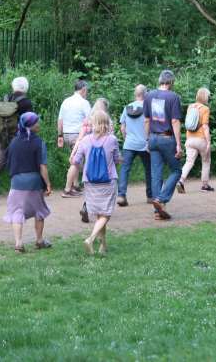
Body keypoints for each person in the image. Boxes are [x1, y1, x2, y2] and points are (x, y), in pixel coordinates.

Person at [72, 110, 121, 255]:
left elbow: (76, 161)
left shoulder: (85, 140)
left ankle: (103, 246)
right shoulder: (112, 139)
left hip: (90, 182)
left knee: (100, 214)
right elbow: (117, 159)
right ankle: (91, 239)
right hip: (108, 181)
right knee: (106, 214)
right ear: (107, 123)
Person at [2, 112, 52, 253]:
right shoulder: (38, 142)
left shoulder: (14, 142)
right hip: (34, 182)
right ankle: (39, 240)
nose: (39, 124)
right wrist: (47, 183)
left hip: (17, 181)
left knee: (17, 211)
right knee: (39, 211)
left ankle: (18, 243)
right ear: (31, 125)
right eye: (36, 122)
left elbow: (8, 162)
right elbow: (43, 167)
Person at [0, 76, 33, 206]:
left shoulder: (5, 99)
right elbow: (29, 122)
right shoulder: (26, 103)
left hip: (1, 137)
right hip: (18, 138)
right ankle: (20, 195)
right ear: (25, 88)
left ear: (13, 87)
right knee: (20, 164)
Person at [144, 69, 183, 220]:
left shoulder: (148, 96)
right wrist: (178, 144)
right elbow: (174, 121)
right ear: (171, 82)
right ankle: (161, 199)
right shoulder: (173, 97)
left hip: (153, 138)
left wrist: (147, 140)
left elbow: (146, 120)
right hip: (167, 138)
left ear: (160, 81)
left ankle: (157, 211)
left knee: (156, 174)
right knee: (176, 171)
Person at [117, 84, 153, 207]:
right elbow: (150, 124)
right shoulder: (148, 107)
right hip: (144, 144)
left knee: (124, 170)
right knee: (149, 170)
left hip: (129, 144)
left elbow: (122, 127)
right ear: (145, 94)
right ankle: (150, 196)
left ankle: (121, 195)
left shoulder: (127, 107)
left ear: (135, 94)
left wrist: (126, 138)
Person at [58, 80, 92, 198]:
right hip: (78, 135)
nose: (86, 93)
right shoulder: (84, 103)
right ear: (83, 90)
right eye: (86, 90)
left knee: (77, 160)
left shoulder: (66, 101)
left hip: (67, 134)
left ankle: (76, 185)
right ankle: (67, 189)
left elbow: (60, 120)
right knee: (76, 162)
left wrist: (60, 135)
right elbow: (90, 120)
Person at [177, 87, 214, 193]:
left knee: (189, 161)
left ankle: (180, 181)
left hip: (190, 139)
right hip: (201, 139)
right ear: (205, 97)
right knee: (206, 161)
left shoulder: (190, 106)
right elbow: (205, 126)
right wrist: (208, 141)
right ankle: (205, 185)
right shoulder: (205, 109)